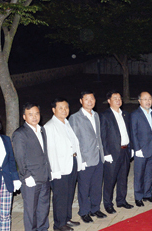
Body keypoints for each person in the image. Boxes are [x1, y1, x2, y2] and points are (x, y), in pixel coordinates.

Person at [44, 98, 83, 231]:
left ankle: (66, 218)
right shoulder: (49, 127)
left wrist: (79, 162)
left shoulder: (66, 123)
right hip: (59, 167)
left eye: (66, 107)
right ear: (54, 110)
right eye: (60, 108)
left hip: (71, 163)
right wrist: (54, 171)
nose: (64, 110)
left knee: (69, 193)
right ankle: (59, 224)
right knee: (60, 196)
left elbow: (74, 144)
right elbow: (50, 151)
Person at [12, 102, 51, 231]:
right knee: (31, 211)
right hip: (31, 179)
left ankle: (43, 229)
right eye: (30, 114)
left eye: (36, 114)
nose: (34, 117)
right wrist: (26, 175)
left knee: (43, 208)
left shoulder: (41, 129)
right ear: (24, 117)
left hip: (44, 176)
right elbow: (20, 157)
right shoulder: (20, 134)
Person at [69, 91, 106, 222]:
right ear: (81, 101)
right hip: (85, 159)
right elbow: (74, 141)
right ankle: (84, 211)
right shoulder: (75, 118)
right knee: (84, 187)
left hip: (98, 157)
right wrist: (80, 160)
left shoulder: (96, 115)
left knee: (96, 185)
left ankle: (95, 208)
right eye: (86, 99)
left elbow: (98, 137)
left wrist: (103, 155)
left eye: (92, 98)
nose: (90, 101)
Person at [99, 90, 134, 213]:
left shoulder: (125, 114)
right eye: (115, 98)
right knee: (110, 179)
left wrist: (131, 148)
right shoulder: (105, 115)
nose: (118, 100)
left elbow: (129, 132)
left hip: (125, 150)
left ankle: (121, 200)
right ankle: (108, 204)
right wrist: (106, 153)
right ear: (109, 101)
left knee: (123, 177)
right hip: (112, 153)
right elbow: (103, 136)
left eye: (119, 98)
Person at [130, 92, 152, 206]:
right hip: (141, 149)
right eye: (145, 99)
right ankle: (138, 197)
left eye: (149, 99)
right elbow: (133, 133)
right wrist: (136, 149)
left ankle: (147, 194)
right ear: (139, 101)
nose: (148, 101)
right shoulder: (135, 114)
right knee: (139, 174)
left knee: (150, 173)